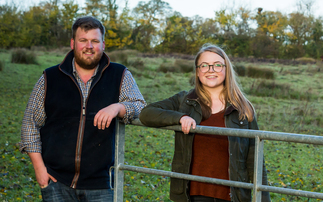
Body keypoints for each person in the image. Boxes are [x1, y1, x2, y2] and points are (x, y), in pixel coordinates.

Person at [19, 16, 146, 201]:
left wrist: (118, 107)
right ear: (73, 43)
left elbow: (140, 107)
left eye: (95, 41)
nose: (89, 46)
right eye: (83, 40)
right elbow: (30, 124)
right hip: (56, 181)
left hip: (101, 184)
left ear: (103, 44)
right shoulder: (50, 77)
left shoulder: (120, 75)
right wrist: (40, 170)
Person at [139, 44, 271, 202]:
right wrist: (180, 118)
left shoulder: (243, 109)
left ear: (226, 69)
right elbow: (146, 113)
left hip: (231, 197)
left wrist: (263, 198)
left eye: (217, 65)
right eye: (204, 65)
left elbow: (255, 161)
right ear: (197, 71)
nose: (211, 70)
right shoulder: (185, 101)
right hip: (192, 196)